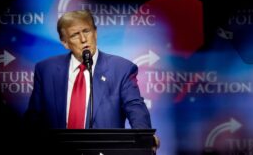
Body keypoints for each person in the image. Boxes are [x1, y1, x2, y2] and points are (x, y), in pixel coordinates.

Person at [24, 9, 157, 135]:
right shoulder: (46, 70)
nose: (83, 39)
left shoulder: (122, 69)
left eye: (86, 31)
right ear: (65, 43)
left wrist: (144, 136)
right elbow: (33, 117)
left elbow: (134, 107)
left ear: (95, 33)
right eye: (75, 35)